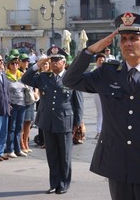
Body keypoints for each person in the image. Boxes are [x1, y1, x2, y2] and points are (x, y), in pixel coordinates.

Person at [63, 12, 140, 200]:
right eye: (124, 39)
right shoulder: (107, 73)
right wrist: (90, 51)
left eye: (134, 38)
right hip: (117, 161)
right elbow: (70, 80)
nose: (127, 43)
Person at [21, 47, 84, 195]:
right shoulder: (44, 77)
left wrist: (78, 124)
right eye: (52, 60)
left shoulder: (71, 78)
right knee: (52, 155)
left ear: (64, 62)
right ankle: (54, 183)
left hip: (65, 121)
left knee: (65, 155)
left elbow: (78, 103)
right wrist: (37, 65)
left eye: (57, 60)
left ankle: (64, 183)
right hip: (47, 121)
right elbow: (25, 79)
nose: (54, 63)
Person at [5, 55, 28, 158]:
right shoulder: (6, 76)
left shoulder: (21, 75)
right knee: (12, 128)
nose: (15, 65)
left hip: (22, 103)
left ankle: (18, 149)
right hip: (12, 104)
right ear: (9, 65)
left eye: (17, 63)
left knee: (19, 127)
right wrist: (8, 103)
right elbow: (4, 91)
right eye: (12, 63)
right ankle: (10, 149)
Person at [18, 53, 38, 153]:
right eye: (24, 61)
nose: (26, 63)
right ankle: (21, 144)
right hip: (22, 100)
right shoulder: (18, 72)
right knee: (22, 124)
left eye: (27, 61)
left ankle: (26, 142)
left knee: (28, 123)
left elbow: (35, 84)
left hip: (30, 99)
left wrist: (36, 92)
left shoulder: (29, 72)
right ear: (19, 62)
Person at [90, 53, 106, 139]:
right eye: (99, 60)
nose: (101, 62)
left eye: (102, 61)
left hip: (107, 94)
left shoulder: (107, 71)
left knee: (108, 113)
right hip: (97, 94)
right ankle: (99, 131)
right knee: (100, 113)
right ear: (96, 61)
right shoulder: (94, 71)